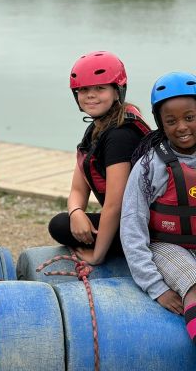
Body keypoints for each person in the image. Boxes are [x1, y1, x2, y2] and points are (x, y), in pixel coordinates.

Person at [48, 51, 150, 265]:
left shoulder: (120, 135)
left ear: (117, 91)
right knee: (64, 222)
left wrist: (97, 256)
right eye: (84, 90)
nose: (90, 95)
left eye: (100, 88)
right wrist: (76, 212)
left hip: (144, 229)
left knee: (59, 226)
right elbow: (78, 189)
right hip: (125, 221)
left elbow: (115, 204)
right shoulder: (97, 127)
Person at [121, 71, 196, 344]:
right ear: (160, 123)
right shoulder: (150, 166)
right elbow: (132, 225)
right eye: (171, 121)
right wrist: (156, 287)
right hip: (167, 245)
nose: (182, 127)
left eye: (190, 117)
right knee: (194, 283)